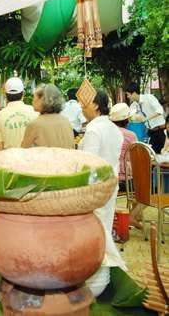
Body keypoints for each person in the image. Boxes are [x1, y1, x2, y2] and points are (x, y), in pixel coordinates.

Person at [78, 89, 125, 296]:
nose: (81, 107)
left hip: (94, 190)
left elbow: (89, 166)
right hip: (110, 186)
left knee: (94, 232)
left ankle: (96, 279)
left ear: (96, 105)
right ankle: (101, 277)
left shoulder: (94, 130)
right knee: (103, 228)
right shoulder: (113, 129)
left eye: (84, 104)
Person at [21, 84, 74, 149]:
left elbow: (24, 151)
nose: (32, 101)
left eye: (34, 97)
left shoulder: (35, 125)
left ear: (42, 100)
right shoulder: (66, 122)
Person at [0, 77, 38, 151]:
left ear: (6, 95)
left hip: (9, 160)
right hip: (30, 159)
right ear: (23, 93)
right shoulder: (35, 112)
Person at [125, 82, 166, 153]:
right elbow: (130, 117)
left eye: (128, 94)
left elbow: (160, 111)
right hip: (150, 133)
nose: (127, 97)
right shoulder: (133, 105)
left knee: (164, 157)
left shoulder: (149, 98)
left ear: (134, 93)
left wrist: (145, 119)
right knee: (152, 157)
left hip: (160, 131)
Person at [109, 103, 137, 193]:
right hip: (126, 181)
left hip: (109, 179)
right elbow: (137, 156)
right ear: (127, 120)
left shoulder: (106, 133)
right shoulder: (130, 135)